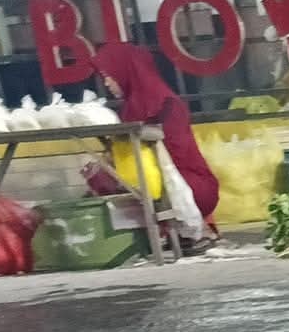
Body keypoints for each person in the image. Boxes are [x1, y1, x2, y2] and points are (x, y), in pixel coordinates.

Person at [88, 41, 219, 224]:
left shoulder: (167, 106)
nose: (107, 83)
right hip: (154, 179)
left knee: (129, 185)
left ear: (125, 71)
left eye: (108, 76)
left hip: (187, 183)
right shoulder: (131, 108)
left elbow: (173, 160)